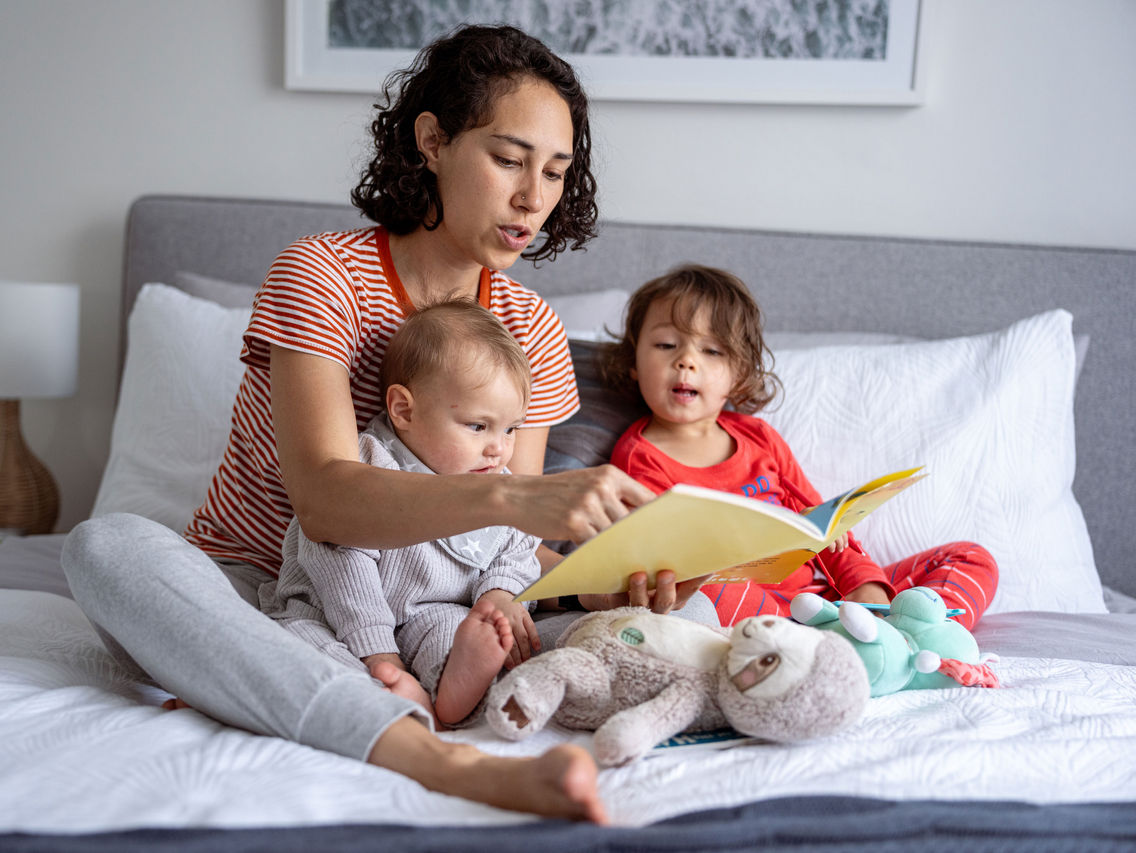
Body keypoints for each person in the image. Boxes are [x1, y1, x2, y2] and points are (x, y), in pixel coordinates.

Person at [63, 24, 688, 824]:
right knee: (104, 546)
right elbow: (324, 502)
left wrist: (604, 577)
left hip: (441, 609)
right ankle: (435, 757)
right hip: (255, 592)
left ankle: (291, 690)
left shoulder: (530, 327)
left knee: (654, 629)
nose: (534, 197)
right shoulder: (320, 273)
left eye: (556, 172)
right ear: (433, 140)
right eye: (508, 159)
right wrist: (513, 500)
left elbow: (506, 537)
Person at [601, 264, 999, 631]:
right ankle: (848, 643)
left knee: (972, 558)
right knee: (703, 589)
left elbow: (829, 528)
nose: (687, 361)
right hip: (747, 607)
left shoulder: (759, 438)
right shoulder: (637, 459)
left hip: (820, 599)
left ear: (739, 373)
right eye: (667, 345)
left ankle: (911, 631)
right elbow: (665, 565)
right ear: (634, 361)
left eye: (712, 350)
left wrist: (865, 587)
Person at [260, 300, 544, 727]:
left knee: (463, 631)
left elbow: (519, 547)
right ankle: (382, 689)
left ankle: (451, 687)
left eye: (510, 429)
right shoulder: (367, 467)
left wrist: (498, 594)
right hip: (332, 613)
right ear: (404, 410)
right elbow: (343, 572)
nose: (498, 448)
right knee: (293, 642)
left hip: (430, 613)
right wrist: (380, 655)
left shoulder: (496, 480)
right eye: (477, 425)